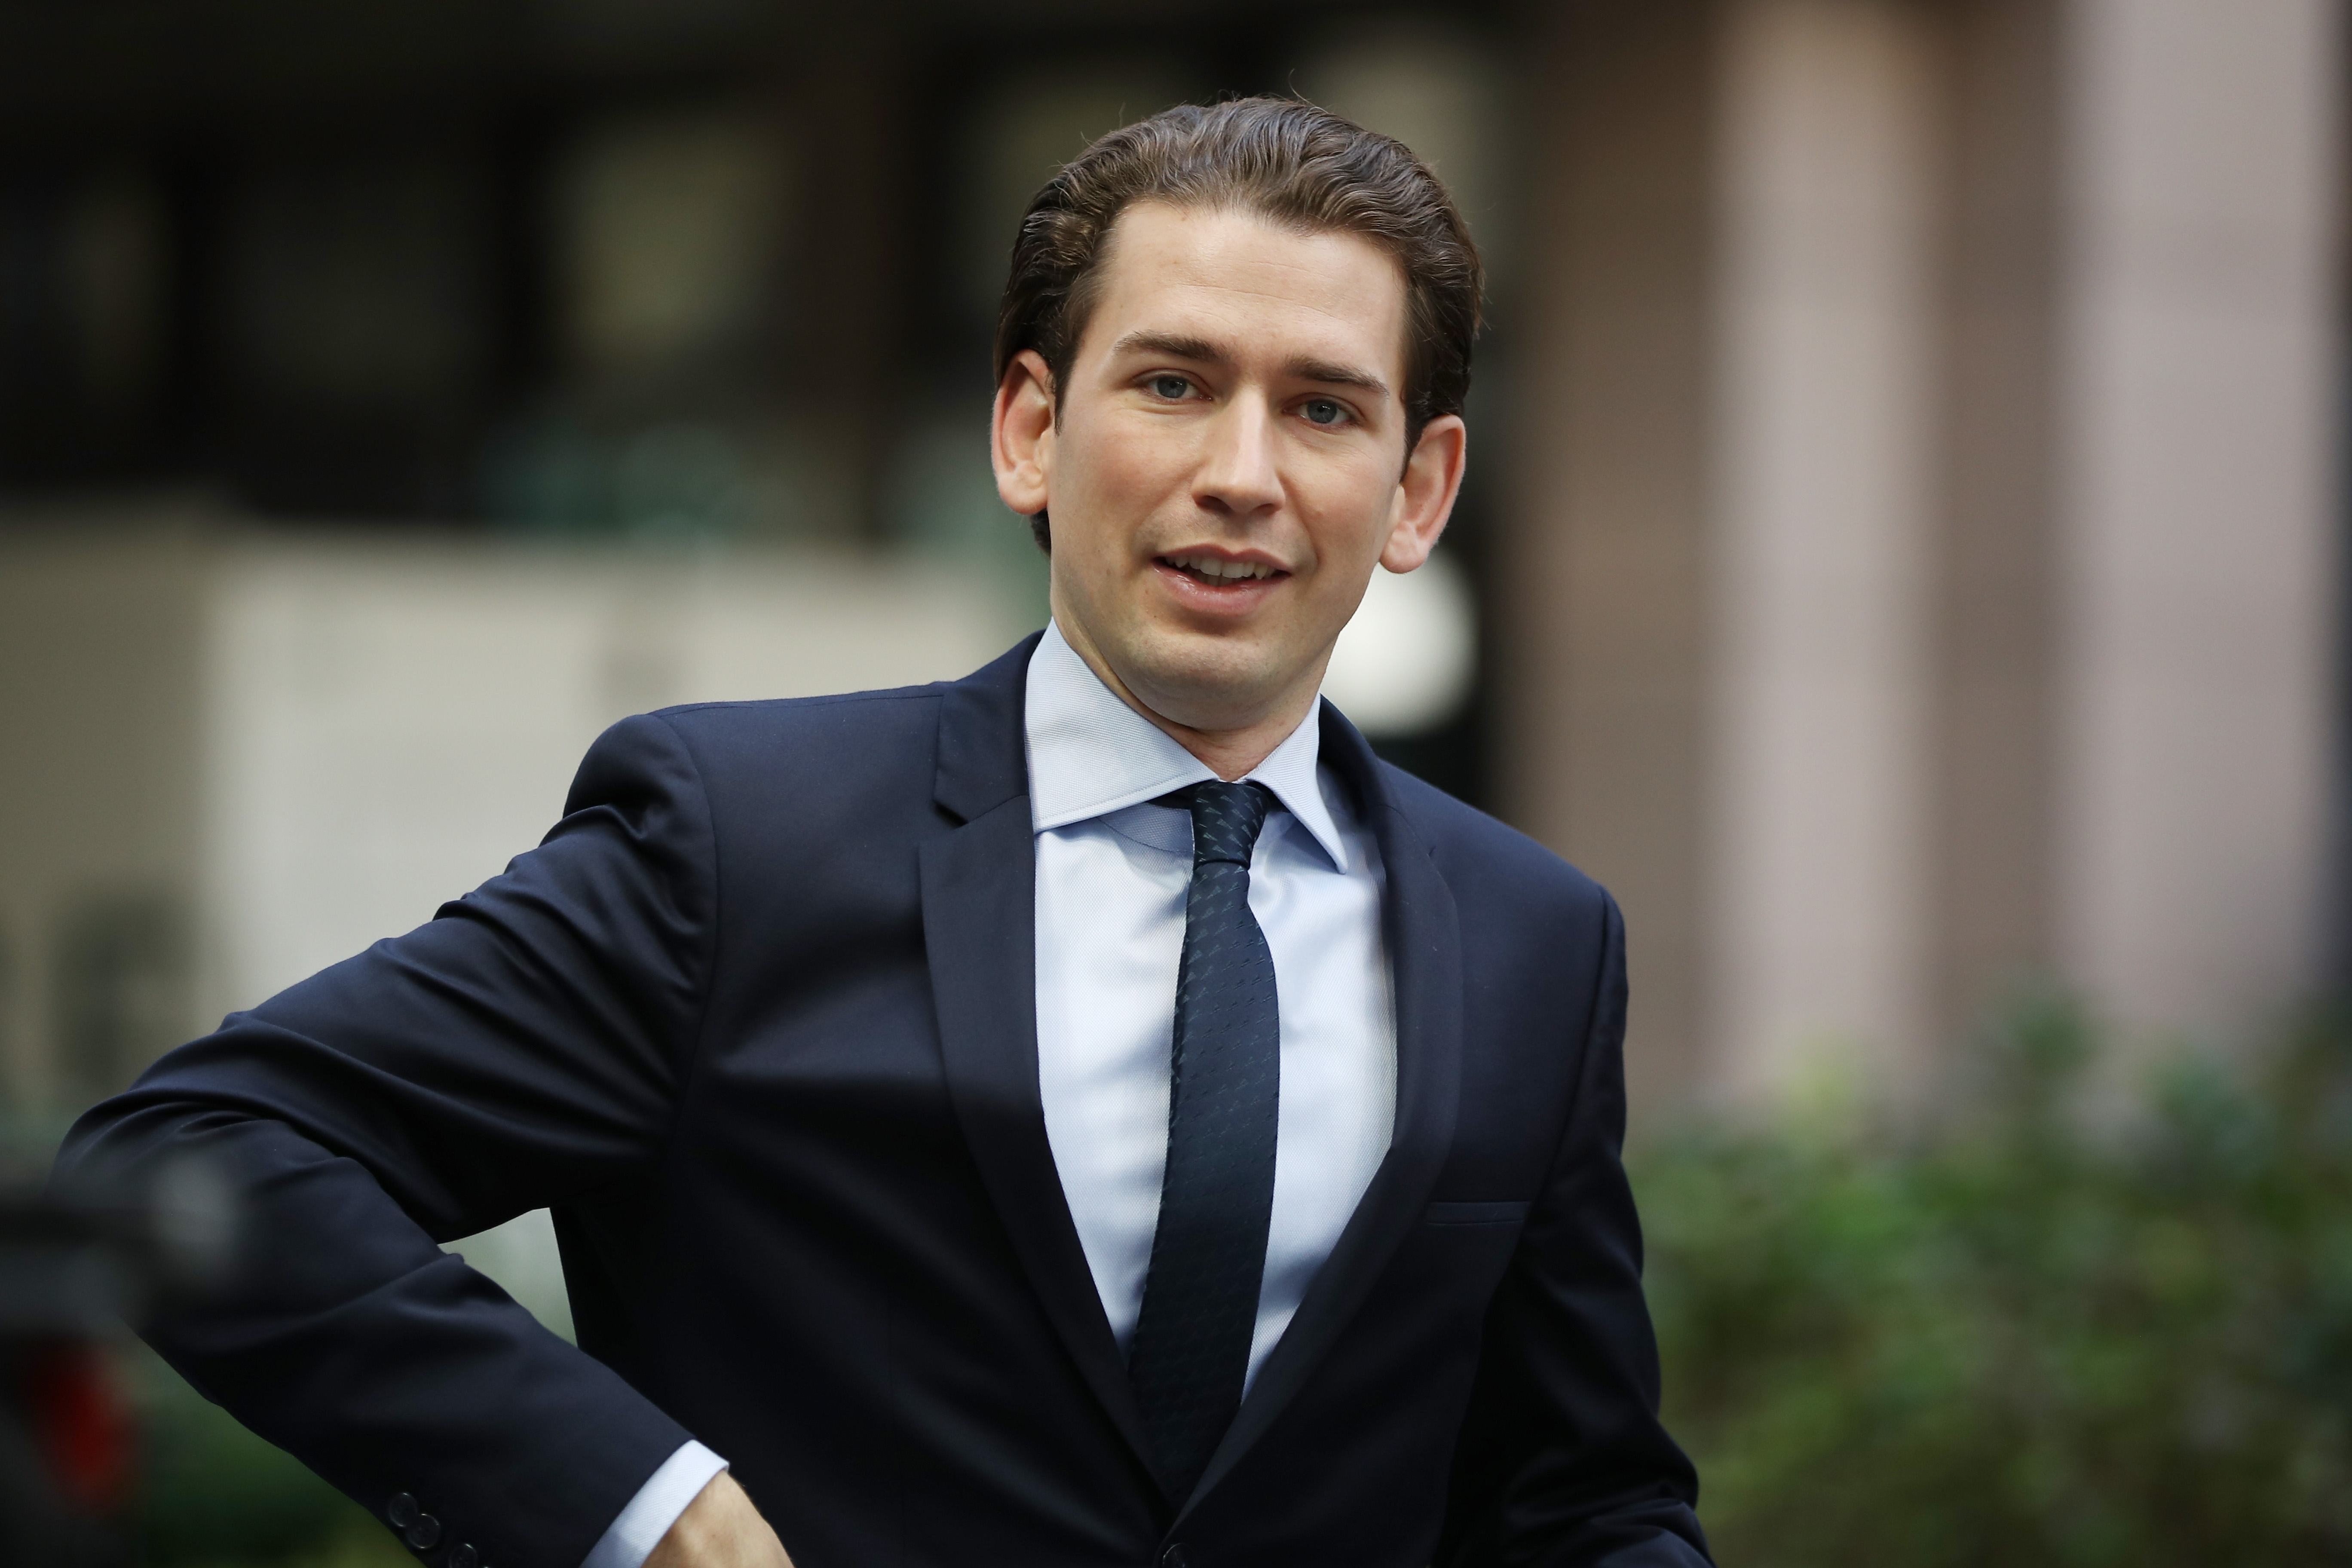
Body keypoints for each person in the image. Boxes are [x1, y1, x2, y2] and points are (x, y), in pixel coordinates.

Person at [56, 98, 1709, 1568]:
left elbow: (1579, 1503)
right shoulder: (736, 843)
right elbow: (194, 1158)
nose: (1241, 471)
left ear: (1419, 491)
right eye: (1174, 382)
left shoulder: (1538, 940)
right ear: (1030, 432)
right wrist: (626, 1500)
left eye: (1326, 410)